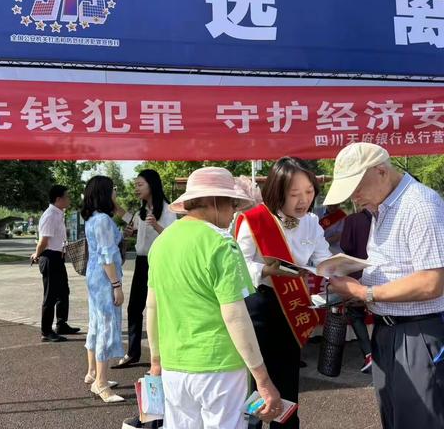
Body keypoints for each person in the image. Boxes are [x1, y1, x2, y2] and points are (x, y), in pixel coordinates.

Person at [141, 167, 281, 429]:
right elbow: (235, 315)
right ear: (217, 202)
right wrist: (262, 378)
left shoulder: (162, 242)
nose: (233, 213)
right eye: (232, 205)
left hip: (174, 366)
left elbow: (152, 306)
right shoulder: (222, 244)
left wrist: (156, 362)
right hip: (220, 366)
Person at [325, 142, 444, 429]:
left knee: (421, 419)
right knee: (393, 416)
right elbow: (394, 266)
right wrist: (362, 289)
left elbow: (433, 281)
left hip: (419, 332)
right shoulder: (382, 207)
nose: (355, 197)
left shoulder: (420, 205)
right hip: (388, 328)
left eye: (357, 187)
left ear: (381, 171)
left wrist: (365, 292)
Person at [236, 157, 332, 429]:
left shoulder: (312, 221)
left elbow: (322, 258)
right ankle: (253, 425)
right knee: (260, 381)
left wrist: (334, 268)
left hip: (293, 305)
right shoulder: (254, 220)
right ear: (278, 191)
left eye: (309, 192)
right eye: (295, 194)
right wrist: (267, 271)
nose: (303, 200)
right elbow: (239, 264)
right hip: (260, 306)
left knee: (288, 379)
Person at [115, 169, 176, 369]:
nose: (136, 189)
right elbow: (126, 217)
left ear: (152, 185)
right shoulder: (141, 211)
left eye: (140, 184)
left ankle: (163, 354)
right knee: (135, 308)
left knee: (158, 309)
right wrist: (130, 232)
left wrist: (157, 225)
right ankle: (133, 352)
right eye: (135, 185)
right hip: (142, 262)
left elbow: (174, 238)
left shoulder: (168, 210)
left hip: (159, 262)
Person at [81, 176, 125, 403]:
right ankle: (101, 383)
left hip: (94, 277)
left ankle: (93, 373)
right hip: (105, 278)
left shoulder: (93, 219)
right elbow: (108, 256)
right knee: (106, 327)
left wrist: (119, 212)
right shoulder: (103, 221)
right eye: (113, 190)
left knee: (96, 325)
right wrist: (117, 285)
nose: (116, 193)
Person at [31, 185, 80, 343]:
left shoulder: (58, 213)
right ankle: (46, 331)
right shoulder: (50, 215)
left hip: (58, 257)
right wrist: (36, 255)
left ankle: (61, 324)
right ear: (58, 199)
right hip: (50, 257)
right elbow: (43, 241)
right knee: (50, 296)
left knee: (63, 291)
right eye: (67, 196)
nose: (69, 199)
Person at [339, 207, 373, 373]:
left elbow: (346, 245)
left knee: (356, 313)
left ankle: (369, 353)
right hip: (381, 274)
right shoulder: (381, 217)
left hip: (357, 273)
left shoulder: (353, 219)